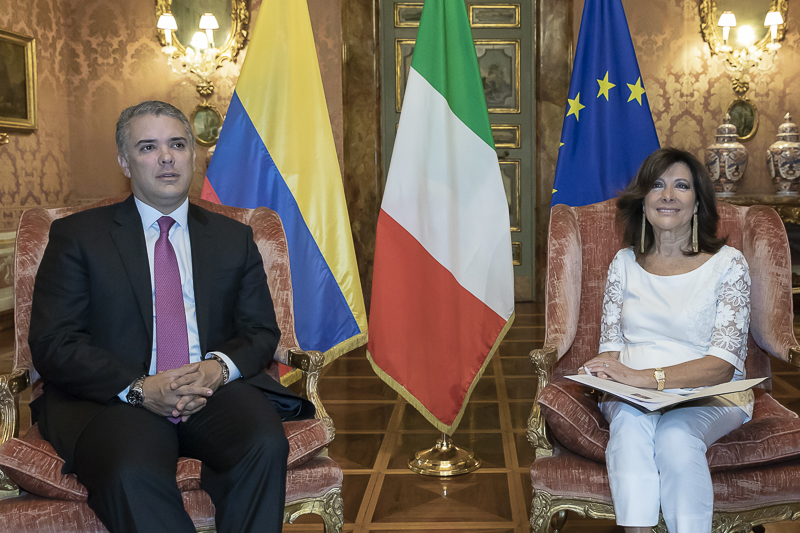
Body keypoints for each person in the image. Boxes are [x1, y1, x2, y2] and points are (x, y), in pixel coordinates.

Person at [28, 100, 314, 533]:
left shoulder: (233, 238)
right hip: (115, 400)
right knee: (129, 469)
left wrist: (218, 370)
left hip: (212, 390)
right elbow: (54, 343)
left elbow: (259, 331)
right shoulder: (78, 237)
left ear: (192, 156)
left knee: (262, 442)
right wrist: (141, 387)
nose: (165, 157)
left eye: (177, 144)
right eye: (147, 147)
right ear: (124, 162)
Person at [582, 147, 752, 533]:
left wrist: (644, 378)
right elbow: (610, 348)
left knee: (676, 437)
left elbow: (722, 365)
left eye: (681, 186)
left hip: (712, 392)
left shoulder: (729, 264)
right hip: (630, 392)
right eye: (657, 185)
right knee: (628, 422)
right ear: (643, 201)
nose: (668, 195)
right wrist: (605, 373)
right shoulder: (624, 263)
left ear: (697, 203)